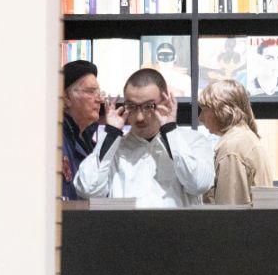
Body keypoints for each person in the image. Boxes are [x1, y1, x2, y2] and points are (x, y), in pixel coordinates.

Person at [73, 68, 215, 208]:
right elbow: (88, 190)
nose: (140, 117)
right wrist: (111, 133)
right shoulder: (115, 149)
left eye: (149, 106)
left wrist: (170, 131)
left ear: (166, 101)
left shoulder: (193, 141)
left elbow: (199, 185)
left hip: (177, 230)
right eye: (132, 106)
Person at [196, 79, 273, 205]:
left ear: (222, 109)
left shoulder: (231, 148)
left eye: (205, 109)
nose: (200, 118)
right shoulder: (245, 139)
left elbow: (229, 215)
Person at [61, 59, 101, 200]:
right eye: (91, 92)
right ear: (66, 98)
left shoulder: (86, 139)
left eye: (99, 92)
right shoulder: (55, 140)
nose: (99, 99)